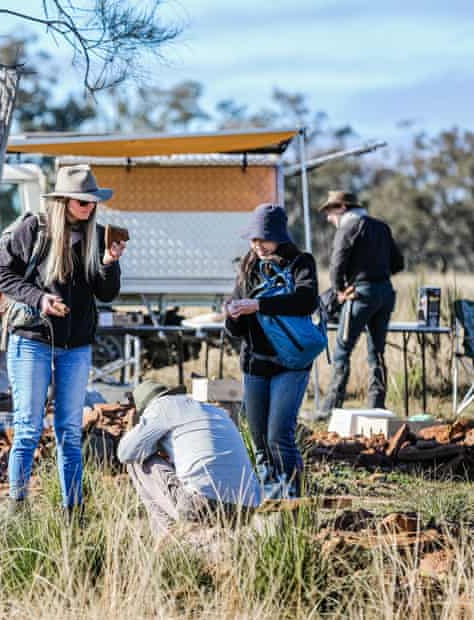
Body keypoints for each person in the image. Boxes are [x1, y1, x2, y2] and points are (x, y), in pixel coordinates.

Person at [0, 164, 125, 514]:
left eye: (92, 202)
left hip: (76, 347)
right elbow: (2, 274)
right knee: (27, 429)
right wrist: (40, 299)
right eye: (82, 202)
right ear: (64, 201)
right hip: (32, 340)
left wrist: (110, 262)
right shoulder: (34, 230)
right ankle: (17, 507)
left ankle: (73, 511)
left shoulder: (96, 238)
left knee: (69, 431)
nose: (89, 208)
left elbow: (107, 293)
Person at [224, 204, 319, 499]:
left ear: (279, 236)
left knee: (280, 436)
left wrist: (260, 305)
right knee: (259, 440)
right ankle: (269, 497)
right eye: (254, 239)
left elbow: (306, 301)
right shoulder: (248, 266)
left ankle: (295, 498)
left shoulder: (302, 262)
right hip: (255, 364)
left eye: (264, 238)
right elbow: (236, 329)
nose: (258, 245)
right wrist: (232, 315)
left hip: (291, 364)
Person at [117, 381, 262, 539]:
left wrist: (133, 427)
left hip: (202, 504)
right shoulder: (213, 410)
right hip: (247, 507)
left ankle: (170, 539)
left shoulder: (159, 408)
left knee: (137, 463)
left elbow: (125, 453)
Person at [318, 190, 405, 415]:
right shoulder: (381, 227)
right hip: (385, 293)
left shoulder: (348, 227)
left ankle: (330, 409)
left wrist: (339, 290)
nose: (328, 217)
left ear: (342, 208)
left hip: (359, 295)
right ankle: (376, 404)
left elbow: (337, 264)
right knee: (376, 351)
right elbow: (398, 263)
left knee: (342, 351)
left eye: (330, 211)